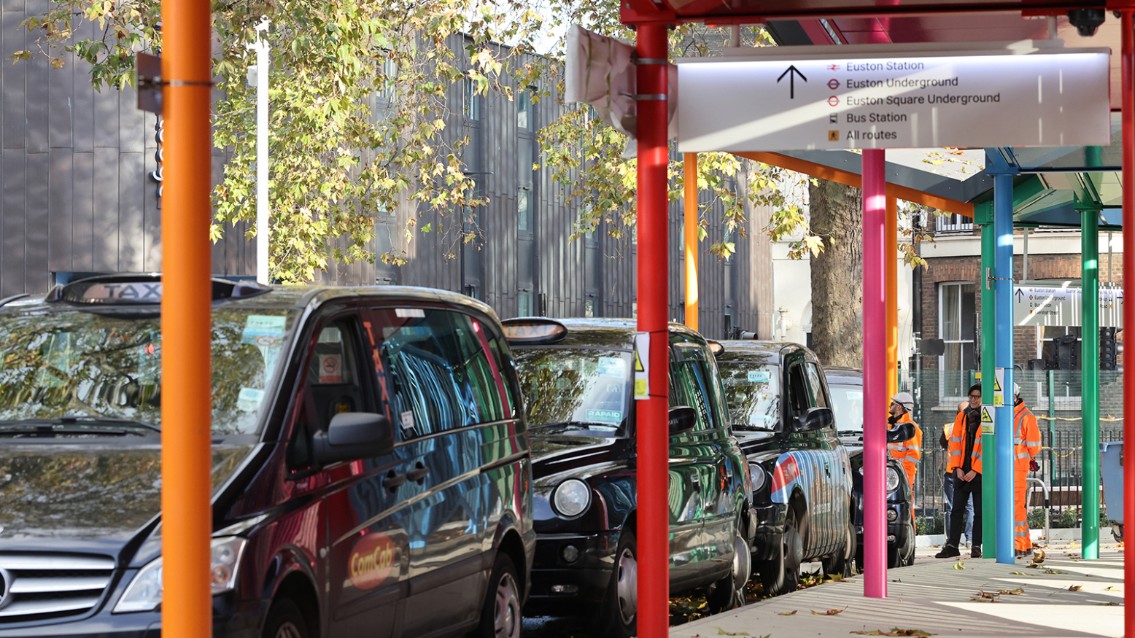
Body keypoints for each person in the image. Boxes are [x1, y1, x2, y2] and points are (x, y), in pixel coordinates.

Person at [935, 383, 984, 559]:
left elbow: (987, 448)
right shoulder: (961, 418)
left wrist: (976, 470)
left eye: (977, 396)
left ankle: (976, 545)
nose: (973, 399)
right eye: (971, 396)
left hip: (978, 474)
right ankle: (952, 545)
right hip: (962, 471)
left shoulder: (987, 418)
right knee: (956, 510)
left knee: (979, 512)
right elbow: (954, 445)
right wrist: (957, 468)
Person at [1013, 383, 1042, 557]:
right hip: (1009, 469)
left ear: (1015, 397)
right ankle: (1024, 544)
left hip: (1016, 470)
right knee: (1016, 509)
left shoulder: (1026, 417)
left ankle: (1019, 545)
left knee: (1016, 509)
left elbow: (1035, 447)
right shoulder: (1006, 415)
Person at [940, 401, 974, 545]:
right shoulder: (974, 426)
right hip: (969, 473)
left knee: (951, 506)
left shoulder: (949, 428)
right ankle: (970, 539)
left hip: (952, 472)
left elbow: (943, 444)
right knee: (970, 506)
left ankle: (951, 540)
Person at [887, 392, 923, 505]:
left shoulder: (910, 428)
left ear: (899, 407)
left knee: (905, 506)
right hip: (891, 473)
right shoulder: (892, 425)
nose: (889, 406)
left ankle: (911, 523)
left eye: (892, 403)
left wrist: (903, 473)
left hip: (903, 474)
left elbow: (914, 455)